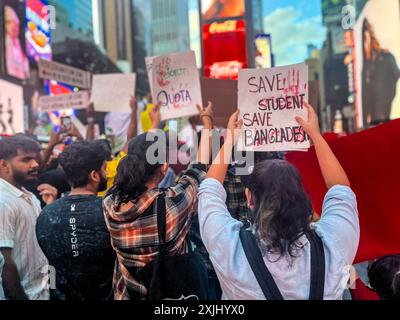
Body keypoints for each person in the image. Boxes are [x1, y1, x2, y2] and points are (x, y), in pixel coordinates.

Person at [198, 102, 360, 299]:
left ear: (249, 197)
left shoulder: (229, 247)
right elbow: (341, 189)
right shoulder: (334, 245)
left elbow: (208, 190)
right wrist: (316, 136)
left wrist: (230, 139)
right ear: (301, 196)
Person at [103, 103, 214, 300]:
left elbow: (140, 153)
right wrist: (207, 124)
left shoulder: (110, 203)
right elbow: (199, 166)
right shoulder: (171, 204)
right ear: (164, 167)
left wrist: (154, 124)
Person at [36, 141, 116, 300]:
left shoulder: (46, 214)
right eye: (104, 169)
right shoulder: (111, 211)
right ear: (94, 175)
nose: (106, 174)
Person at [0, 136, 51, 300]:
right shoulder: (3, 201)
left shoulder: (28, 196)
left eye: (35, 159)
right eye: (26, 159)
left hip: (42, 291)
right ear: (3, 165)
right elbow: (4, 263)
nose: (35, 164)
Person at [362, 18, 400, 126]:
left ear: (370, 36)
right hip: (373, 120)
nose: (364, 45)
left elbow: (396, 74)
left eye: (365, 39)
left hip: (383, 116)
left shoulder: (385, 57)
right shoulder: (365, 64)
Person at [4, 5, 29, 80]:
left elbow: (26, 71)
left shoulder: (19, 44)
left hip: (19, 82)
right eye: (11, 23)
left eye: (17, 25)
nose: (15, 27)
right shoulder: (4, 42)